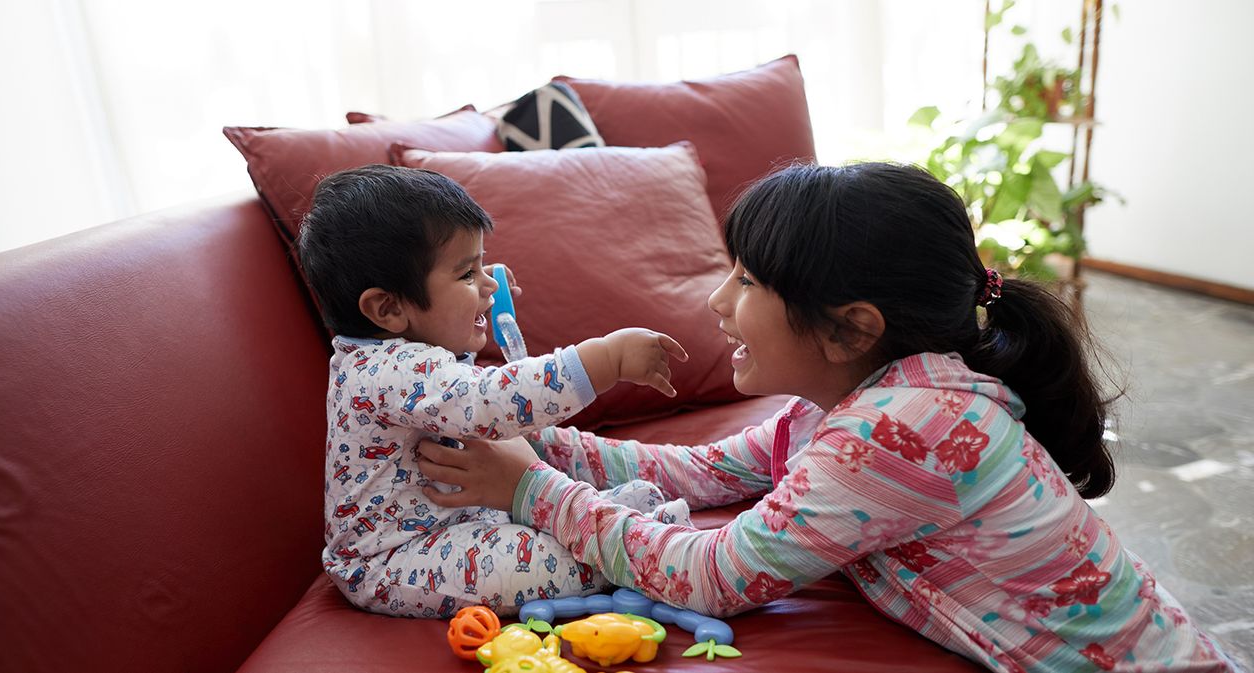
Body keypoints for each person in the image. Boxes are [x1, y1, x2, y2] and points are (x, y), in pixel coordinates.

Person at [415, 163, 1242, 671]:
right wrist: (542, 438)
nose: (716, 301)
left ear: (852, 326)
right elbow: (698, 472)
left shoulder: (899, 431)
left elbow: (711, 576)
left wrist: (533, 491)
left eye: (744, 281)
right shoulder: (856, 402)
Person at [297, 164, 690, 618]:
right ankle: (633, 549)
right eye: (467, 274)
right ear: (387, 307)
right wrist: (604, 360)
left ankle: (617, 527)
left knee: (524, 531)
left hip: (460, 524)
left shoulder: (390, 352)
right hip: (393, 561)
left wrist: (468, 289)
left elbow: (447, 376)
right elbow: (488, 403)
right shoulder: (387, 371)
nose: (489, 286)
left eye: (485, 266)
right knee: (529, 565)